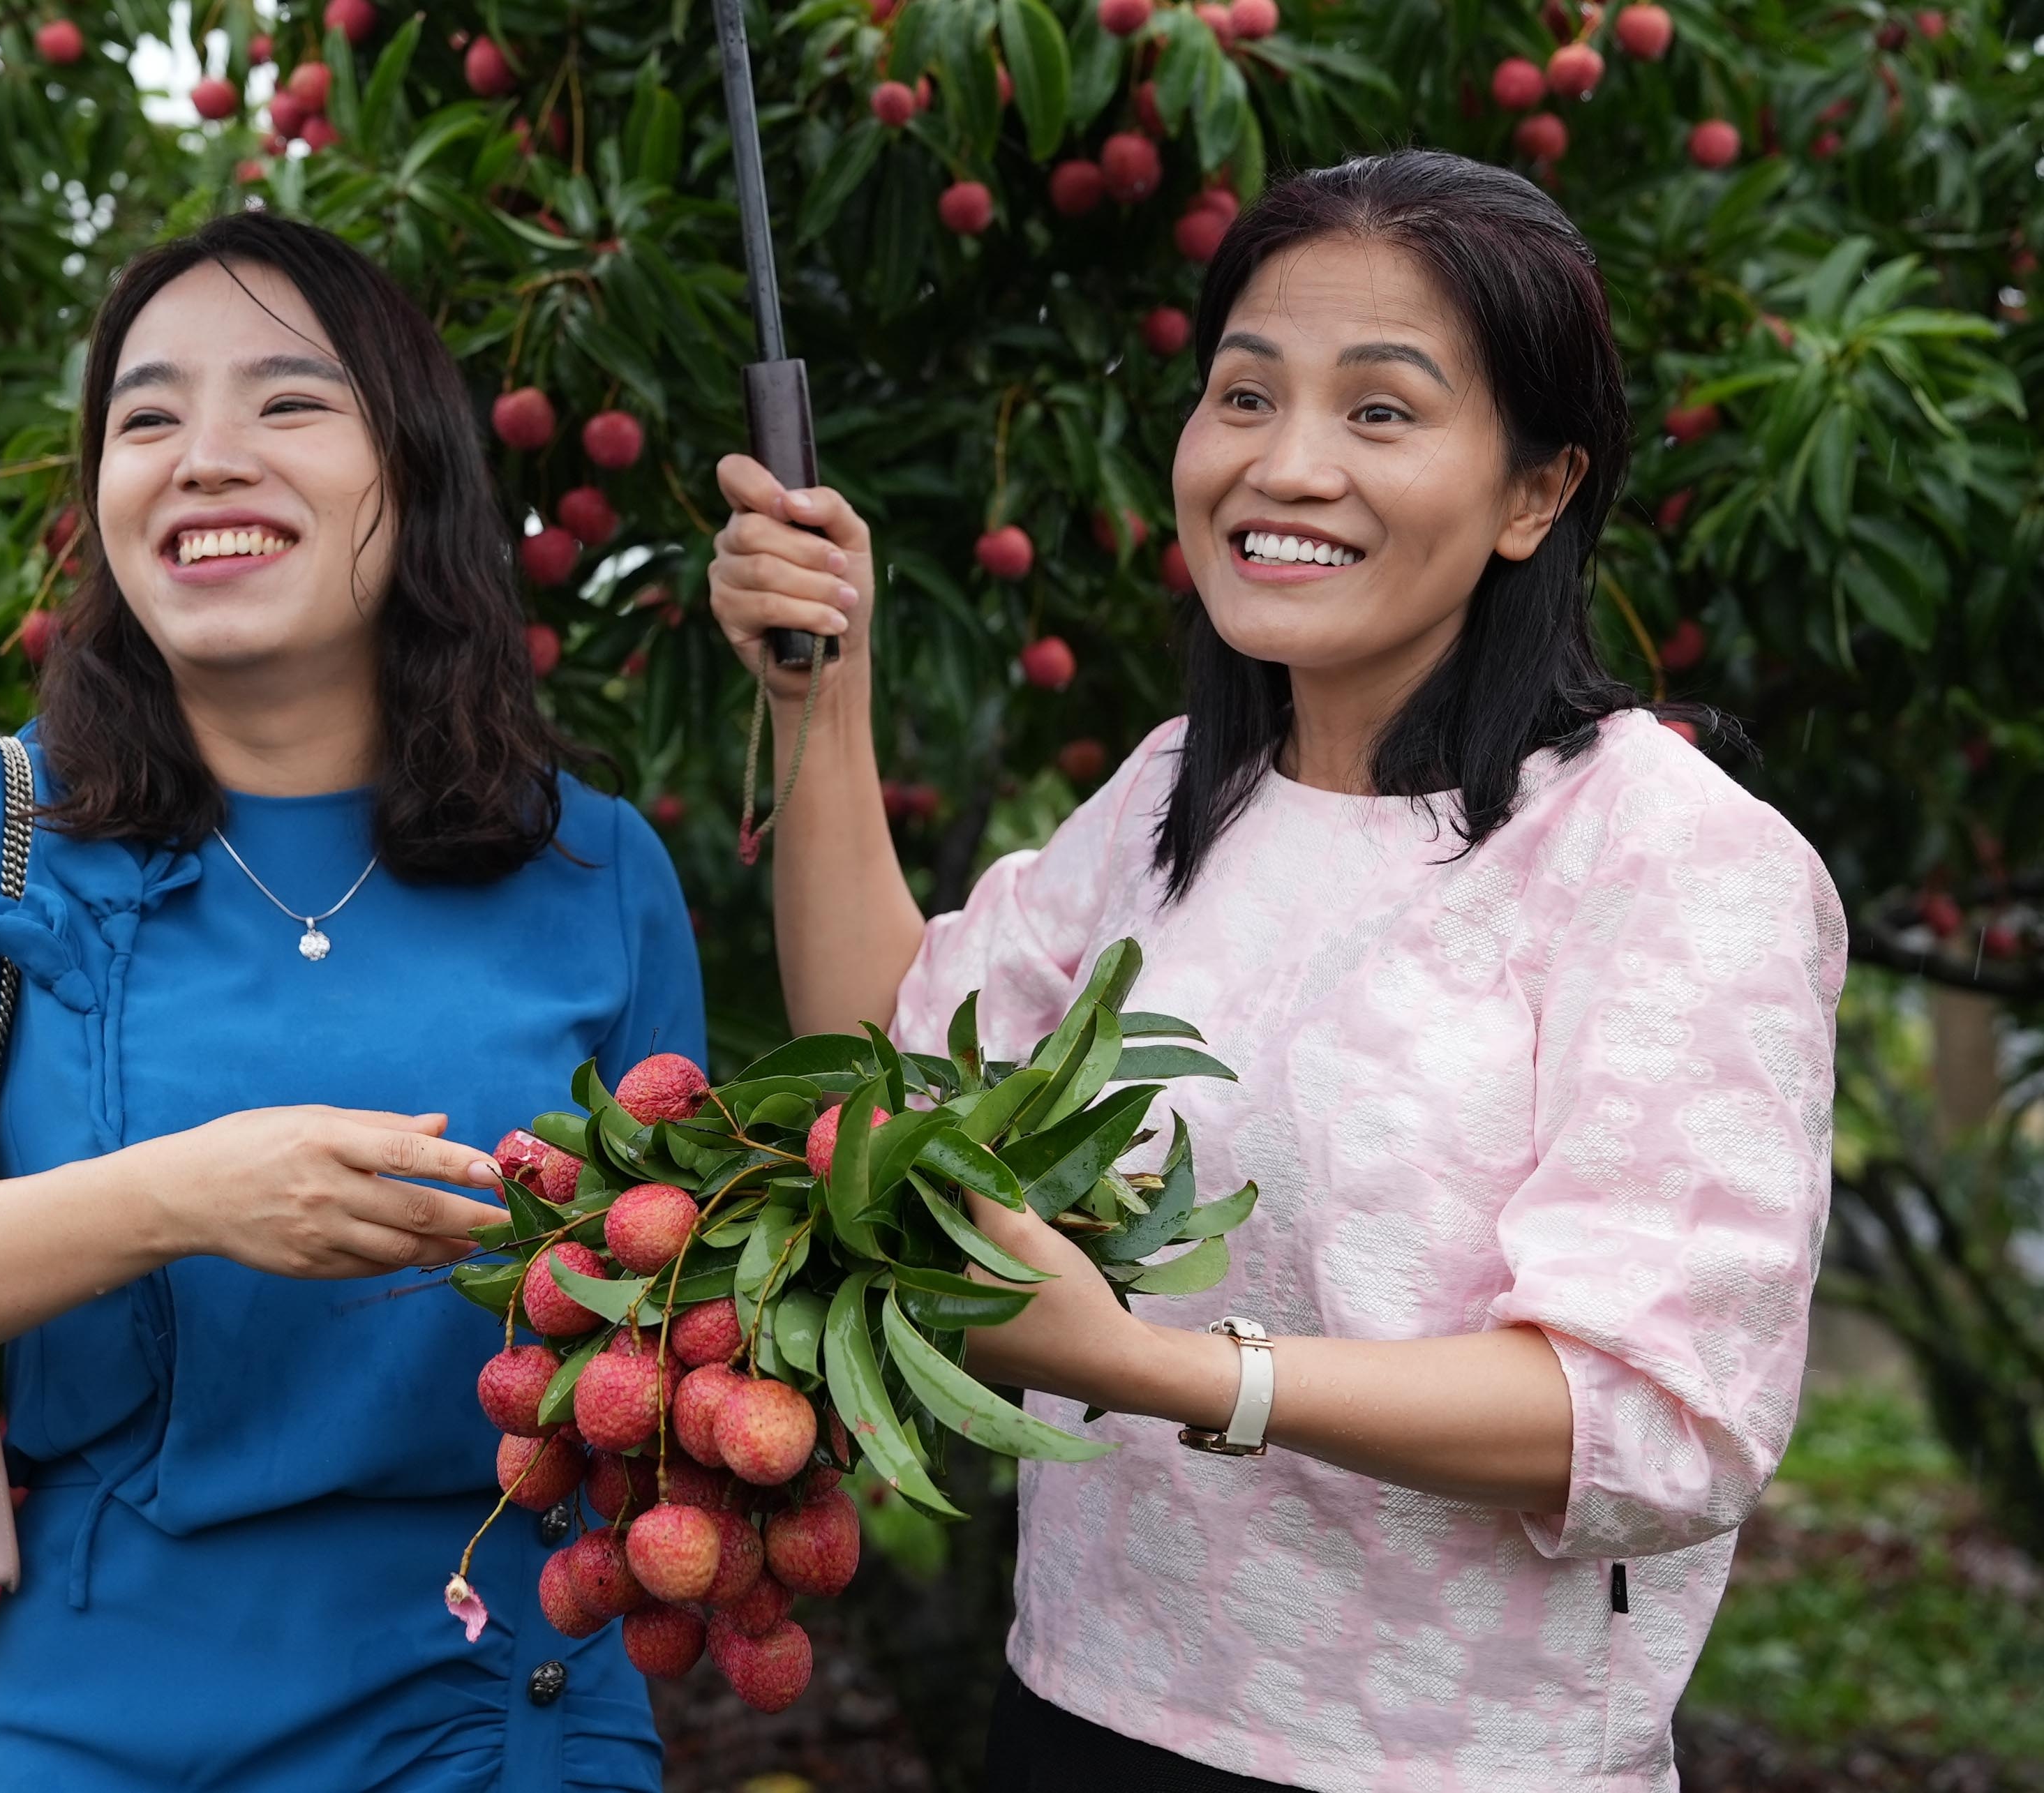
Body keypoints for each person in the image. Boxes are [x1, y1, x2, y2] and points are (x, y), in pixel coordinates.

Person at [707, 149, 1843, 1793]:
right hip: (1081, 1713)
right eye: (1246, 395)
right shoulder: (1183, 797)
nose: (1287, 464)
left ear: (1536, 491)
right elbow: (891, 1068)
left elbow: (1660, 1418)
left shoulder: (1669, 857)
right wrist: (826, 686)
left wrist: (1156, 1370)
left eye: (1381, 412)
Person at [0, 213, 701, 1793]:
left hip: (503, 1718)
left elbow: (681, 1324)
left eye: (286, 400)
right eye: (148, 416)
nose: (204, 456)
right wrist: (183, 1196)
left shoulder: (596, 871)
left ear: (412, 472)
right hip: (109, 1722)